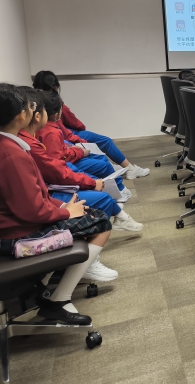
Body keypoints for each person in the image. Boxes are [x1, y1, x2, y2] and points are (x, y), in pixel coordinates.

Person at [0, 83, 114, 325]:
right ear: (21, 115)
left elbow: (32, 196)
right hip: (17, 236)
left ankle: (44, 284)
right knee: (101, 222)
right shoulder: (12, 154)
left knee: (85, 212)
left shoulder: (10, 146)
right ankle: (58, 301)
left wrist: (62, 207)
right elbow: (33, 210)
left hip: (14, 225)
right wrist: (64, 213)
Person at [18, 89, 142, 240]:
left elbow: (58, 156)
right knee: (101, 192)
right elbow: (57, 169)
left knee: (93, 171)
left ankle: (118, 206)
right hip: (50, 190)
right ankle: (96, 238)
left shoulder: (28, 137)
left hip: (51, 184)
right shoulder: (36, 139)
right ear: (36, 115)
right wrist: (82, 160)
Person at [32, 70, 150, 179]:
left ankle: (116, 167)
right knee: (105, 141)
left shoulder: (36, 102)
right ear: (54, 86)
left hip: (62, 139)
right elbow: (74, 124)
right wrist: (80, 141)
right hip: (67, 136)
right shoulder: (54, 104)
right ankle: (130, 169)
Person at [38, 91, 132, 204]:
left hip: (69, 157)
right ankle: (120, 190)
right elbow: (59, 159)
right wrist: (80, 152)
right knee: (103, 164)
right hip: (67, 163)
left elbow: (64, 142)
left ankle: (118, 187)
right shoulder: (50, 132)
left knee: (101, 158)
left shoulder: (50, 128)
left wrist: (76, 147)